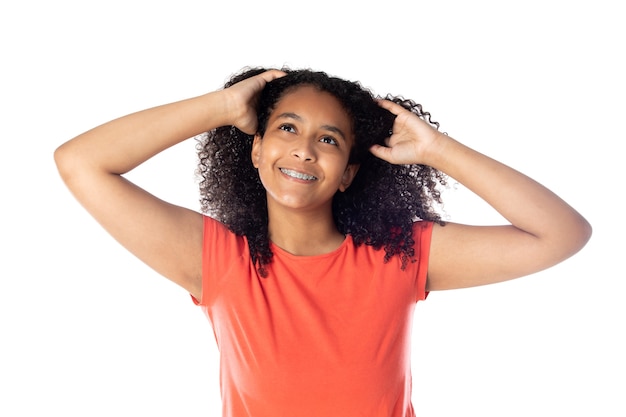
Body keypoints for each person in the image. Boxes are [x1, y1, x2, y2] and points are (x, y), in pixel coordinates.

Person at [54, 67, 591, 416]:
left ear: (349, 173)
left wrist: (440, 151)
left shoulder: (398, 255)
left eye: (328, 139)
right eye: (287, 129)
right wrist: (219, 108)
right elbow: (80, 163)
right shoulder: (218, 260)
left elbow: (562, 234)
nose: (306, 150)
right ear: (256, 150)